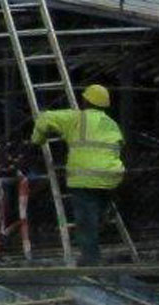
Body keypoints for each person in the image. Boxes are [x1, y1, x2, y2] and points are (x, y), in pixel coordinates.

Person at [31, 85, 126, 266]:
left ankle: (91, 260)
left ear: (85, 101)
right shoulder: (112, 124)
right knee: (96, 210)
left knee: (85, 221)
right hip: (111, 176)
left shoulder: (76, 118)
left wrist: (37, 139)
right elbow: (120, 145)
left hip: (85, 177)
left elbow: (45, 119)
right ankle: (103, 213)